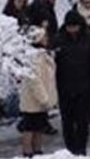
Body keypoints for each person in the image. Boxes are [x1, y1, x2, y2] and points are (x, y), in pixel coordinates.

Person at [53, 10, 90, 155]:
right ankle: (69, 150)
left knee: (82, 122)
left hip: (85, 88)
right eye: (69, 27)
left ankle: (81, 150)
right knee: (67, 122)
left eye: (75, 27)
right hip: (65, 88)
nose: (72, 30)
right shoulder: (59, 39)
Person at [17, 27, 58, 158]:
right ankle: (28, 153)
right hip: (34, 100)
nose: (46, 39)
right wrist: (44, 99)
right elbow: (34, 81)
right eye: (44, 37)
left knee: (39, 128)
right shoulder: (33, 57)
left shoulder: (43, 54)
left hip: (40, 100)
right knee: (30, 129)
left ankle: (37, 152)